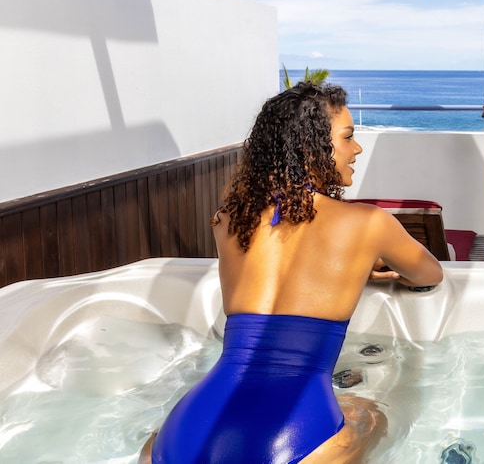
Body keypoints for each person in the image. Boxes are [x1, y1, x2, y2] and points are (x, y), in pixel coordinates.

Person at [141, 82, 444, 463]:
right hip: (291, 434)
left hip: (185, 431)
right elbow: (430, 274)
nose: (357, 149)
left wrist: (352, 268)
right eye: (347, 137)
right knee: (372, 414)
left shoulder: (229, 220)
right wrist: (365, 266)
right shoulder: (369, 223)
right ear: (310, 146)